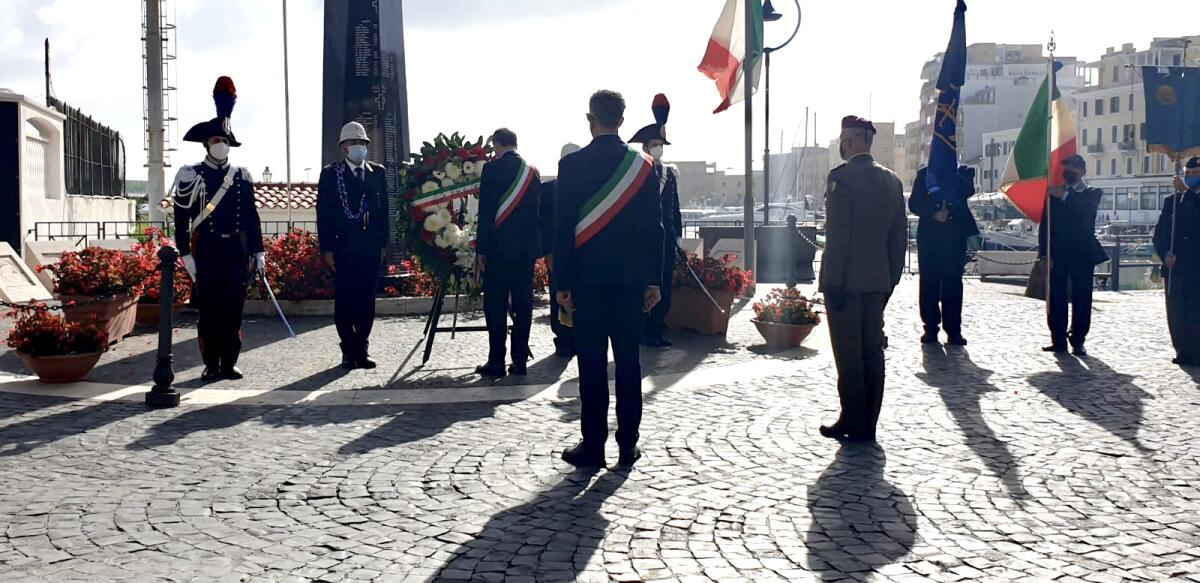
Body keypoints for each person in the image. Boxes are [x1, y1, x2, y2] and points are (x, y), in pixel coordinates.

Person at [554, 90, 663, 467]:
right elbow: (655, 229)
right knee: (629, 365)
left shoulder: (571, 165)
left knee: (592, 366)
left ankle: (593, 446)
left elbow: (563, 229)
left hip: (586, 284)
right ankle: (628, 444)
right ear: (622, 120)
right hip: (631, 283)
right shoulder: (644, 166)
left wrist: (562, 284)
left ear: (591, 120)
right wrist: (654, 281)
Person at [817, 116, 907, 442]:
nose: (842, 145)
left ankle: (852, 418)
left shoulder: (841, 178)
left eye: (843, 139)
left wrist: (833, 281)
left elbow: (839, 234)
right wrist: (890, 279)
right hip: (878, 281)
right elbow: (899, 238)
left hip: (845, 281)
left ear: (849, 141)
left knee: (848, 353)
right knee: (873, 351)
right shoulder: (892, 181)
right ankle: (869, 422)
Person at [172, 76, 264, 382]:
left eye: (224, 140)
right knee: (210, 310)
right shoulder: (191, 175)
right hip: (208, 250)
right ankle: (211, 362)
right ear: (206, 144)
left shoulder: (242, 176)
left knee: (234, 309)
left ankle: (229, 362)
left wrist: (258, 251)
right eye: (215, 140)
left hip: (236, 251)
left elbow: (251, 217)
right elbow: (181, 218)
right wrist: (185, 254)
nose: (220, 145)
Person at [316, 121, 390, 370]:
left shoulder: (377, 172)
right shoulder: (331, 174)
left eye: (362, 142)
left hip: (370, 247)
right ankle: (348, 350)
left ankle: (362, 348)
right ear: (343, 147)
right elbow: (324, 213)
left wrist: (383, 244)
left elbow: (383, 211)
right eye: (353, 142)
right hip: (343, 248)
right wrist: (326, 248)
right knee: (346, 301)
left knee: (366, 300)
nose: (359, 146)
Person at [474, 128, 543, 377]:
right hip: (525, 251)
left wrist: (481, 250)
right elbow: (536, 213)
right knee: (523, 305)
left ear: (496, 144)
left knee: (495, 305)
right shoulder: (532, 172)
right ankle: (520, 361)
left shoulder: (491, 169)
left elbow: (486, 212)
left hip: (498, 250)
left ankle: (496, 362)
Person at [628, 94, 683, 347]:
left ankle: (657, 329)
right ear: (645, 147)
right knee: (644, 284)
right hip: (642, 238)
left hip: (666, 238)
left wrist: (678, 237)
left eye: (661, 144)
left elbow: (674, 208)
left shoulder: (669, 173)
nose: (659, 148)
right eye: (655, 144)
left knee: (664, 285)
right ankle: (643, 330)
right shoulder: (635, 170)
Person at [1038, 154, 1106, 356]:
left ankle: (1078, 339)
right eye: (1065, 168)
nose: (1068, 172)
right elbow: (1045, 226)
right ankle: (1058, 339)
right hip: (1058, 253)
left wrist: (1065, 196)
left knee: (1082, 298)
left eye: (1073, 168)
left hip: (1082, 253)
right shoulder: (1054, 193)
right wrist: (1044, 254)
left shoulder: (1092, 193)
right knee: (1056, 297)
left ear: (1082, 172)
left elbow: (1086, 213)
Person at [908, 165, 979, 345]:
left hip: (954, 236)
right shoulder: (924, 174)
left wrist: (951, 176)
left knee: (953, 283)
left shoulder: (962, 173)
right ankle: (930, 327)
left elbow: (967, 191)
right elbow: (914, 203)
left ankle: (954, 330)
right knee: (929, 282)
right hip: (929, 237)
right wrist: (933, 214)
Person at [1154, 156, 1200, 366]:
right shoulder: (1171, 202)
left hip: (1197, 265)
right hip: (1176, 266)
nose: (1190, 177)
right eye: (1188, 173)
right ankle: (1182, 349)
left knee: (1195, 309)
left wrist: (1186, 193)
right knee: (1177, 311)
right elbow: (1161, 233)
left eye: (1195, 174)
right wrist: (1165, 253)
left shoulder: (1190, 197)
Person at [541, 143, 581, 358]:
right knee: (558, 294)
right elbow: (544, 223)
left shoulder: (587, 188)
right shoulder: (548, 189)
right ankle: (563, 339)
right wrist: (547, 252)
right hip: (556, 253)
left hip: (581, 252)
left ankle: (577, 338)